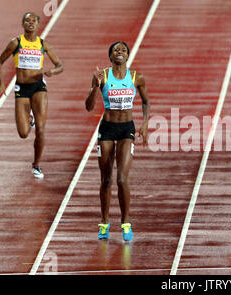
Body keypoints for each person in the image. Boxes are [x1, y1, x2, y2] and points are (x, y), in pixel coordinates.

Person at [85, 41, 150, 241]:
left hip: (126, 129)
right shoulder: (102, 76)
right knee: (106, 180)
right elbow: (89, 107)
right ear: (110, 56)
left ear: (128, 55)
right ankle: (104, 224)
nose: (119, 52)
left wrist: (145, 124)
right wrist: (95, 87)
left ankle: (126, 223)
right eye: (116, 50)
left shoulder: (136, 77)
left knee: (122, 179)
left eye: (123, 50)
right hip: (107, 129)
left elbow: (146, 101)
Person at [0, 12, 63, 179]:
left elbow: (60, 65)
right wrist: (2, 83)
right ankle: (30, 117)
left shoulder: (43, 44)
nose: (31, 23)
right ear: (23, 24)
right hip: (22, 89)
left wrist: (53, 71)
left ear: (38, 25)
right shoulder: (16, 43)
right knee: (24, 133)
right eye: (27, 20)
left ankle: (36, 165)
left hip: (38, 87)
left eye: (34, 20)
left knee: (40, 129)